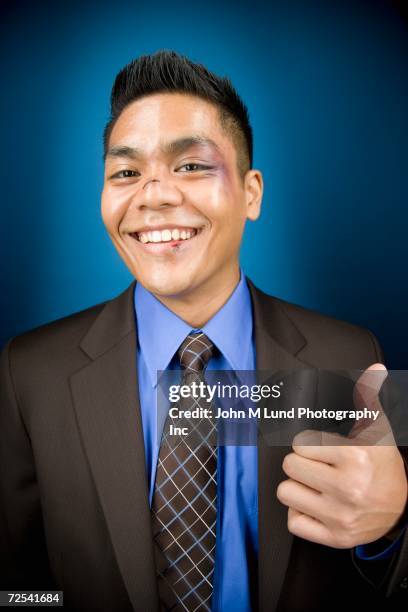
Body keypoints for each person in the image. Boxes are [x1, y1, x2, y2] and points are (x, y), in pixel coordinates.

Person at [1, 50, 407, 612]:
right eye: (126, 172)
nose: (154, 194)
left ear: (252, 193)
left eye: (190, 165)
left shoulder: (350, 356)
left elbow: (373, 583)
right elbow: (15, 585)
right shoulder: (29, 371)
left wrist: (392, 529)